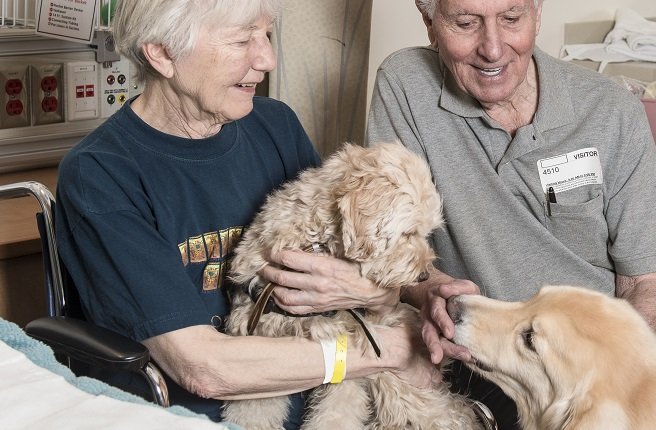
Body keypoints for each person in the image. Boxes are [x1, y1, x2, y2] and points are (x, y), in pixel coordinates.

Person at [365, 0, 656, 428]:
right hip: (495, 348)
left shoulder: (611, 110)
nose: (493, 48)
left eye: (512, 19)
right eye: (466, 23)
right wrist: (433, 289)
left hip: (615, 338)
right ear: (430, 23)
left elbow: (644, 281)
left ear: (537, 15)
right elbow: (391, 248)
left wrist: (618, 371)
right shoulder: (406, 87)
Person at [54, 0, 439, 426]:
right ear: (161, 52)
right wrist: (389, 350)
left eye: (266, 34)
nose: (267, 59)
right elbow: (203, 368)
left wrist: (376, 294)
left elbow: (357, 275)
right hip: (197, 415)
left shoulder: (275, 125)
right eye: (242, 40)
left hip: (325, 405)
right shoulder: (102, 174)